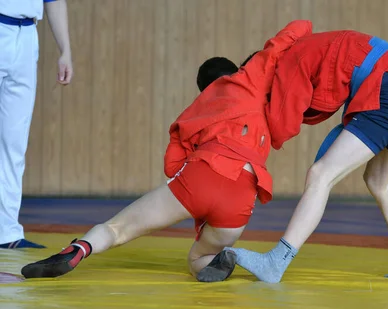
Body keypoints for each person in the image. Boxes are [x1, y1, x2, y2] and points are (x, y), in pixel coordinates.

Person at [20, 20, 313, 281]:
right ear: (236, 72)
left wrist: (194, 193)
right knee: (198, 259)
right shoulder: (252, 84)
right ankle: (224, 257)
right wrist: (306, 32)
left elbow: (173, 167)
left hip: (201, 176)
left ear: (203, 90)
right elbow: (295, 28)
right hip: (243, 196)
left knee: (117, 229)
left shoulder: (191, 114)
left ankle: (79, 248)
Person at [203, 26, 388, 284]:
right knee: (378, 181)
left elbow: (282, 125)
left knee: (320, 175)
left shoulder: (289, 63)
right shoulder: (305, 47)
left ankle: (276, 261)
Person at [0, 0, 73, 249]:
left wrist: (65, 50)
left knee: (14, 141)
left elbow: (53, 1)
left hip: (28, 34)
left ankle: (6, 232)